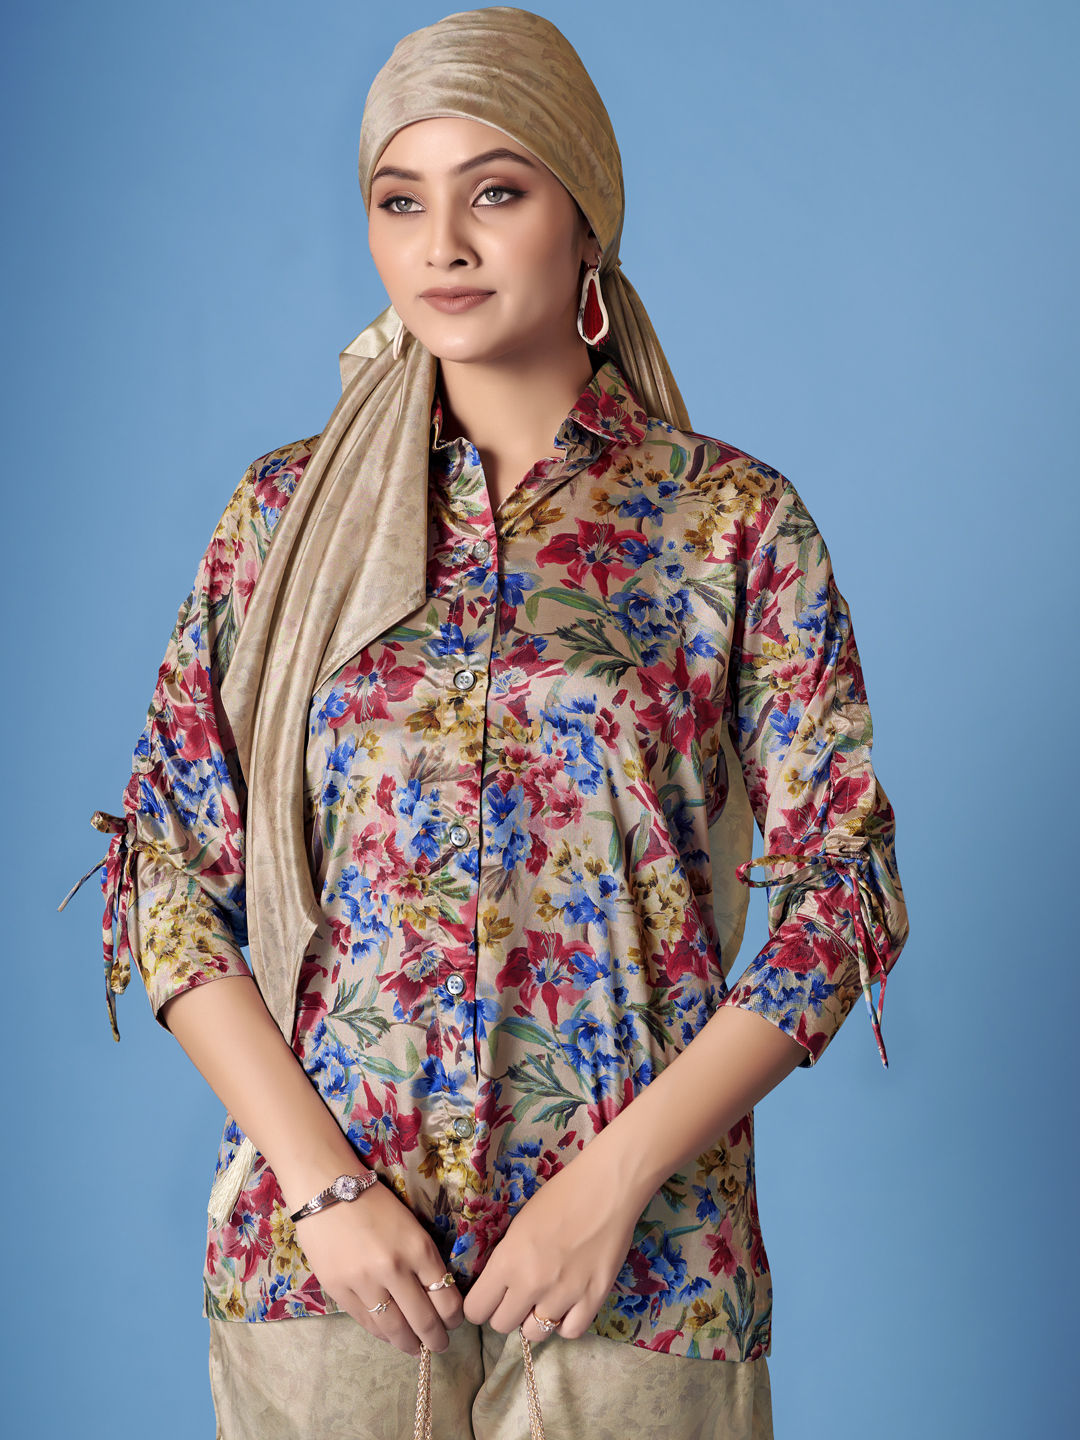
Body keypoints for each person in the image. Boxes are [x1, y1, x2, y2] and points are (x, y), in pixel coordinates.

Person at [64, 8, 908, 1438]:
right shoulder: (280, 520)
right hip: (327, 1278)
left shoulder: (728, 523)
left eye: (496, 192)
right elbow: (163, 874)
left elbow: (844, 895)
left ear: (587, 220)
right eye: (401, 202)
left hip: (640, 1275)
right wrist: (323, 1190)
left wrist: (611, 1186)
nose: (443, 245)